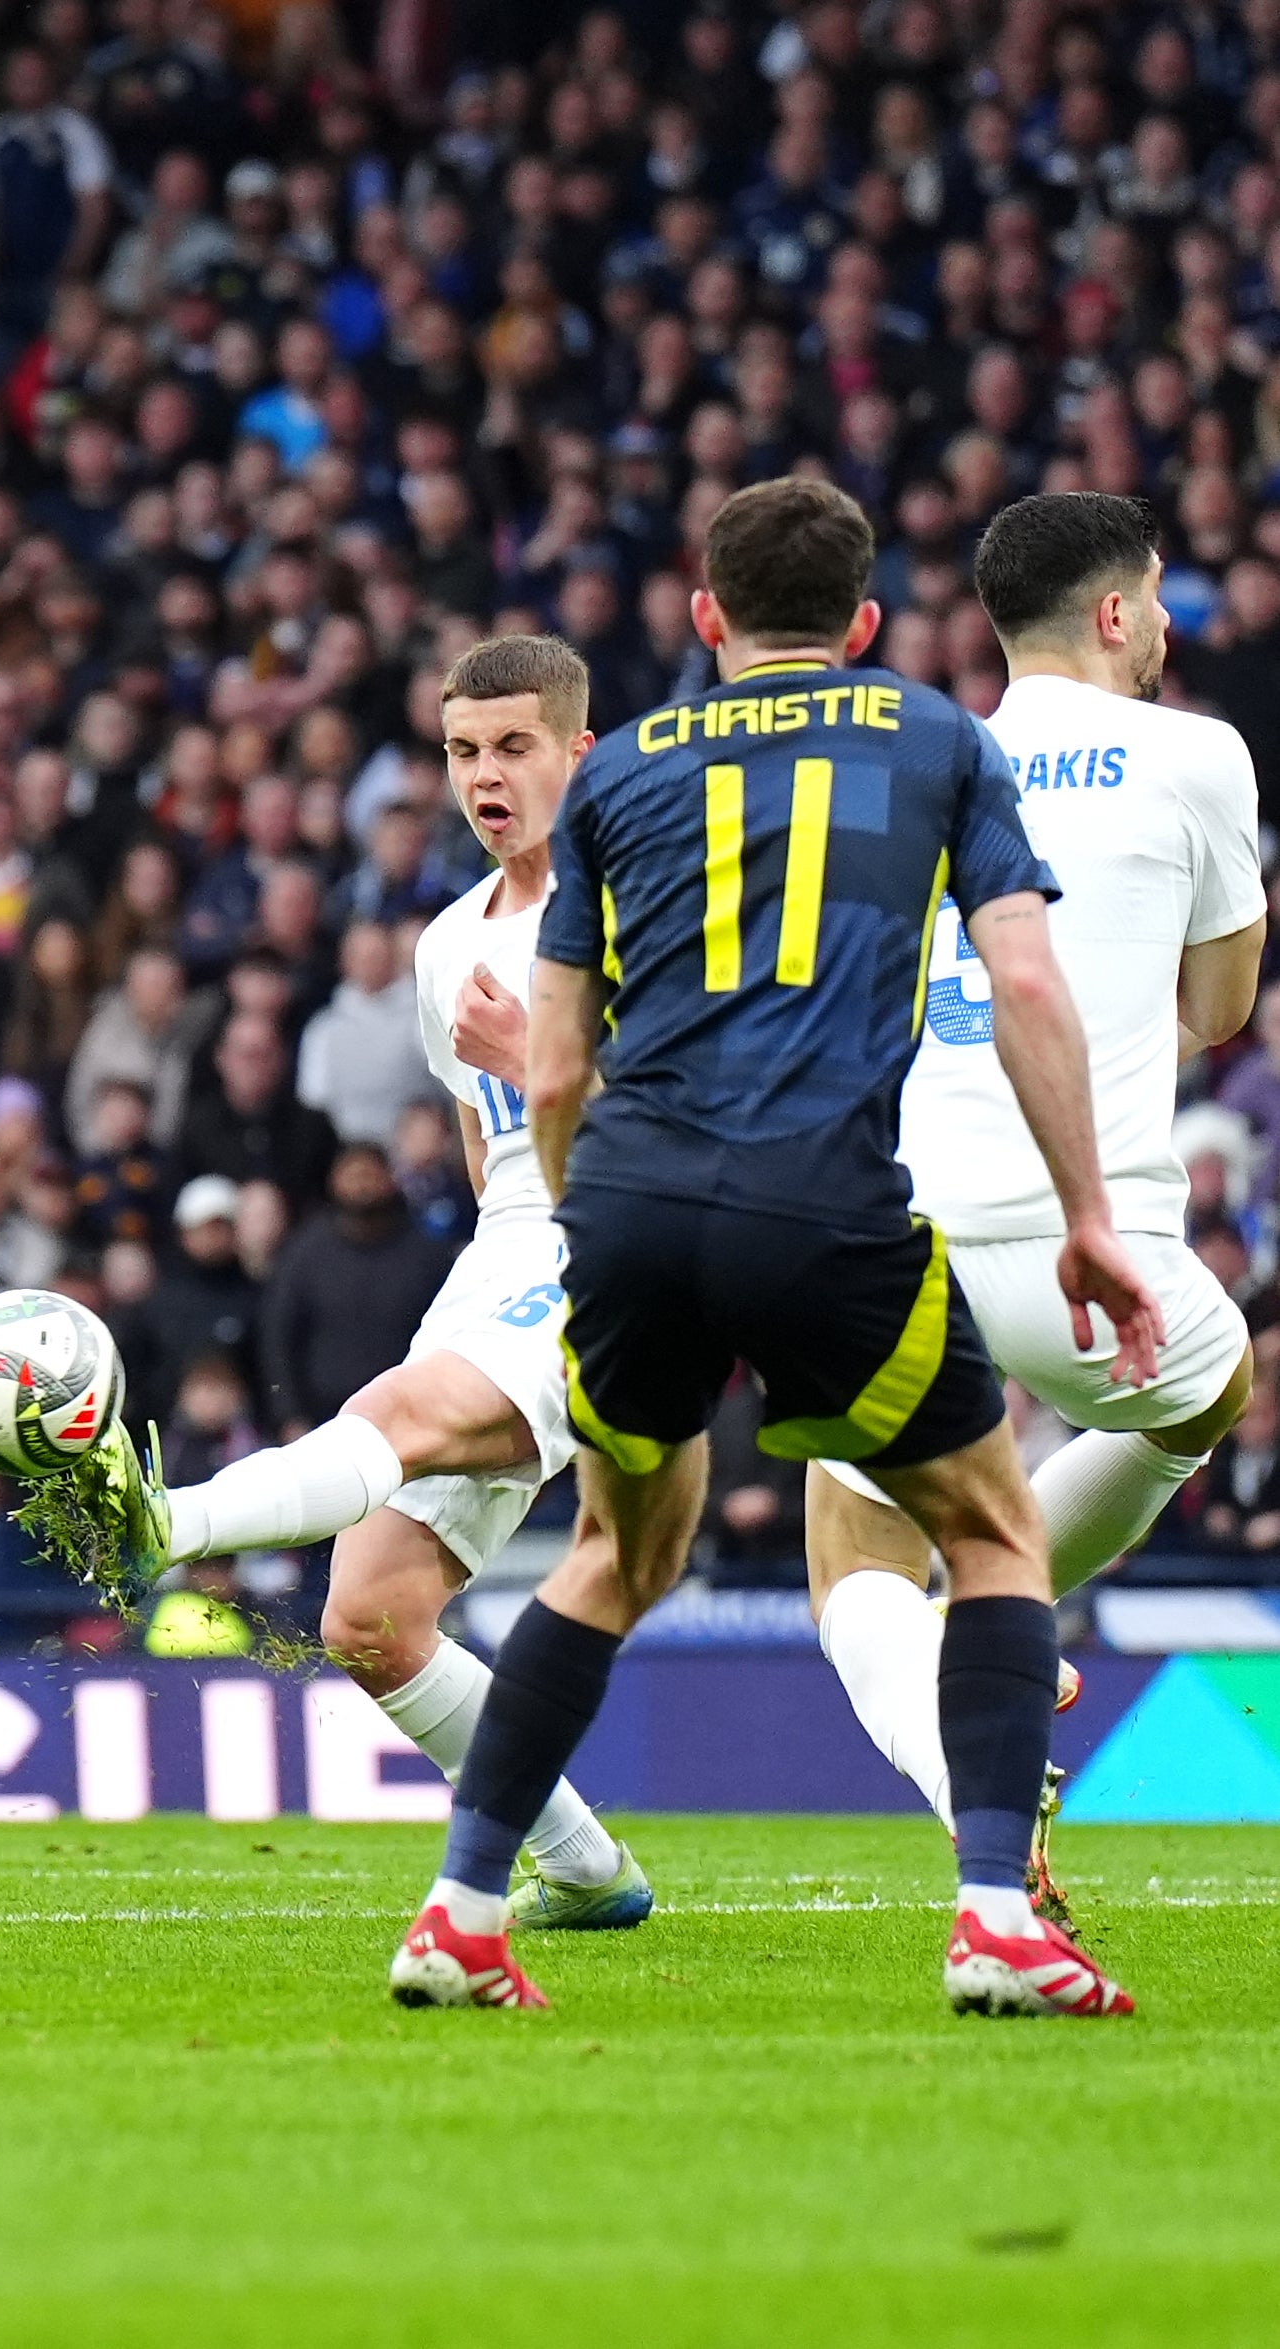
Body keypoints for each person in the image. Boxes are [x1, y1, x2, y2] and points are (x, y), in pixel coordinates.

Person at [391, 479, 1154, 2016]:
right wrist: (1086, 1216)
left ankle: (463, 1914)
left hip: (632, 1210)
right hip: (829, 1208)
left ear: (704, 619)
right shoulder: (940, 738)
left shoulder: (617, 781)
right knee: (996, 1537)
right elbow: (1024, 987)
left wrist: (585, 1222)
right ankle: (998, 1917)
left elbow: (548, 1068)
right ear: (865, 624)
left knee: (612, 1557)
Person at [101, 638, 645, 1927]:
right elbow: (480, 1139)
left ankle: (164, 1525)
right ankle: (584, 1870)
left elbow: (715, 1120)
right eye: (463, 752)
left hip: (630, 1235)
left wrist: (546, 1058)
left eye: (513, 747)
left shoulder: (648, 900)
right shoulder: (449, 940)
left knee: (397, 1417)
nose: (484, 777)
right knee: (371, 1616)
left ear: (578, 749)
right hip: (510, 1248)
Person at [808, 493, 1265, 1883]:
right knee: (1213, 1391)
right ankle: (990, 1631)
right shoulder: (1197, 753)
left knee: (852, 1552)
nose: (1168, 624)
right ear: (1115, 612)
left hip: (909, 1233)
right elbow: (1226, 1004)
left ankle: (960, 1763)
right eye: (1159, 598)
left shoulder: (909, 762)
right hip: (1098, 1250)